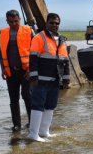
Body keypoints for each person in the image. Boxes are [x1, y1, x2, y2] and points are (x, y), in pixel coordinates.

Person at [28, 13, 70, 142]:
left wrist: (66, 78)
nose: (54, 25)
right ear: (47, 23)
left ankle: (44, 132)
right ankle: (33, 134)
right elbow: (33, 58)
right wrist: (34, 76)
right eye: (52, 23)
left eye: (57, 23)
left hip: (55, 80)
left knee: (51, 105)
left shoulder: (61, 40)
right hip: (40, 79)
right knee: (37, 105)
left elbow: (65, 61)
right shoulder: (39, 38)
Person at [0, 10, 33, 132]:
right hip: (10, 72)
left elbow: (35, 52)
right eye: (11, 21)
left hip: (26, 71)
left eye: (16, 21)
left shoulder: (28, 31)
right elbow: (1, 52)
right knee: (13, 99)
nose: (14, 24)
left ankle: (32, 122)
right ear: (7, 21)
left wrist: (32, 69)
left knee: (27, 96)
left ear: (20, 19)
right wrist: (3, 68)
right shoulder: (4, 33)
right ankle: (17, 125)